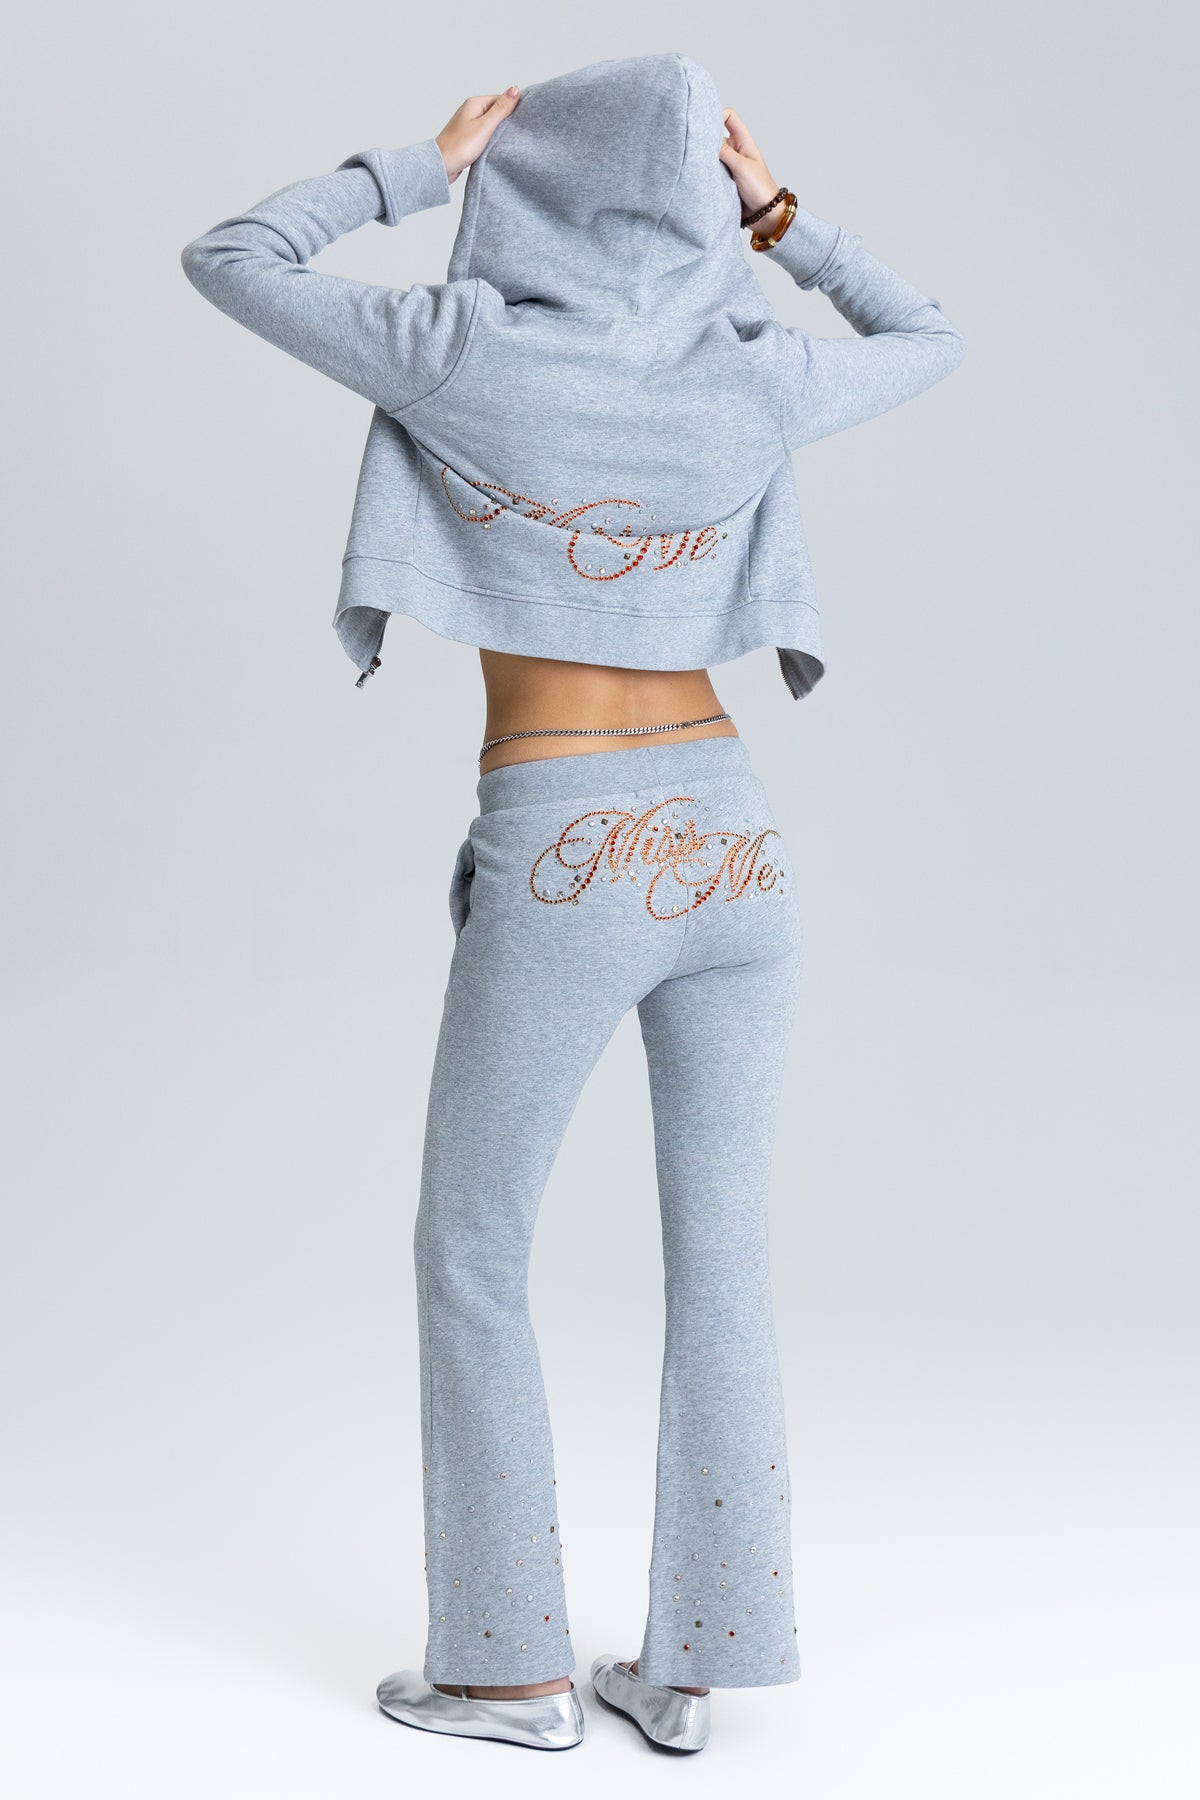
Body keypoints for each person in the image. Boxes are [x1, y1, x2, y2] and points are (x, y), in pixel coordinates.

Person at [181, 52, 964, 1755]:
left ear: (526, 186)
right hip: (737, 837)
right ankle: (690, 1671)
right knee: (724, 1254)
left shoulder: (462, 347)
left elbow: (230, 257)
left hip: (568, 840)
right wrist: (784, 220)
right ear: (692, 202)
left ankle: (506, 1670)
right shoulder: (746, 369)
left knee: (474, 1248)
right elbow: (930, 337)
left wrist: (413, 168)